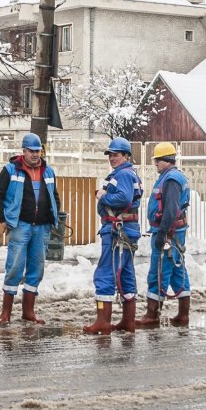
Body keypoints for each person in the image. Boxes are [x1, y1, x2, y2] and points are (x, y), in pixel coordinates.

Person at [0, 131, 58, 325]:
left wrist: (53, 218)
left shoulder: (48, 171)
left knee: (36, 269)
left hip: (41, 227)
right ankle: (5, 313)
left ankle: (28, 312)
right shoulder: (11, 170)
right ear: (24, 151)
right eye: (31, 151)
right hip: (20, 225)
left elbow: (55, 196)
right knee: (15, 268)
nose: (35, 154)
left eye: (38, 151)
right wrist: (2, 219)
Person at [83, 136, 143, 335]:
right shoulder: (127, 173)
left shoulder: (123, 175)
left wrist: (103, 195)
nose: (112, 158)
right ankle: (128, 321)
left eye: (116, 155)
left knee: (105, 274)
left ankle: (103, 322)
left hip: (118, 231)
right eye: (110, 155)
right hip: (125, 230)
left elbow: (123, 198)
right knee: (126, 275)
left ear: (126, 155)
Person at [135, 142, 191, 328]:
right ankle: (183, 316)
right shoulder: (173, 177)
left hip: (169, 234)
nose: (155, 164)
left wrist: (163, 234)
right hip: (175, 233)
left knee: (158, 273)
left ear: (165, 160)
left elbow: (170, 210)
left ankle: (152, 315)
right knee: (177, 272)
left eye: (157, 160)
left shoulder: (171, 180)